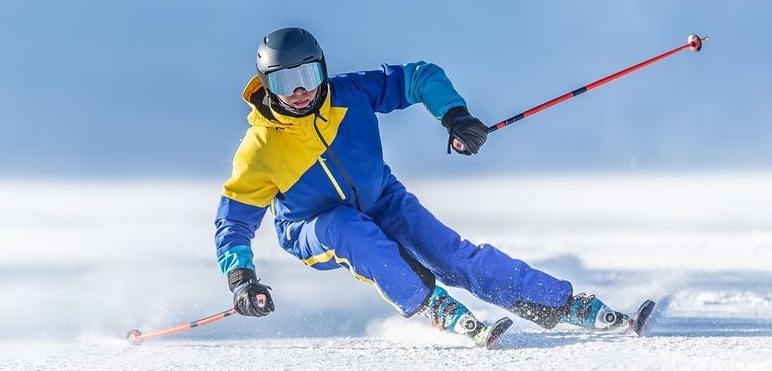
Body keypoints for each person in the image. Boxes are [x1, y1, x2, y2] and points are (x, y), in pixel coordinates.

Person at [213, 27, 652, 348]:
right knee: (348, 227)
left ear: (323, 70)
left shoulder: (350, 94)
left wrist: (454, 115)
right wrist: (241, 278)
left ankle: (563, 303)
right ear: (267, 85)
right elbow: (233, 223)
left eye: (308, 76)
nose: (300, 92)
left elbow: (419, 76)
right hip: (312, 227)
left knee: (451, 254)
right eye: (284, 82)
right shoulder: (260, 148)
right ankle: (432, 305)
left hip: (381, 198)